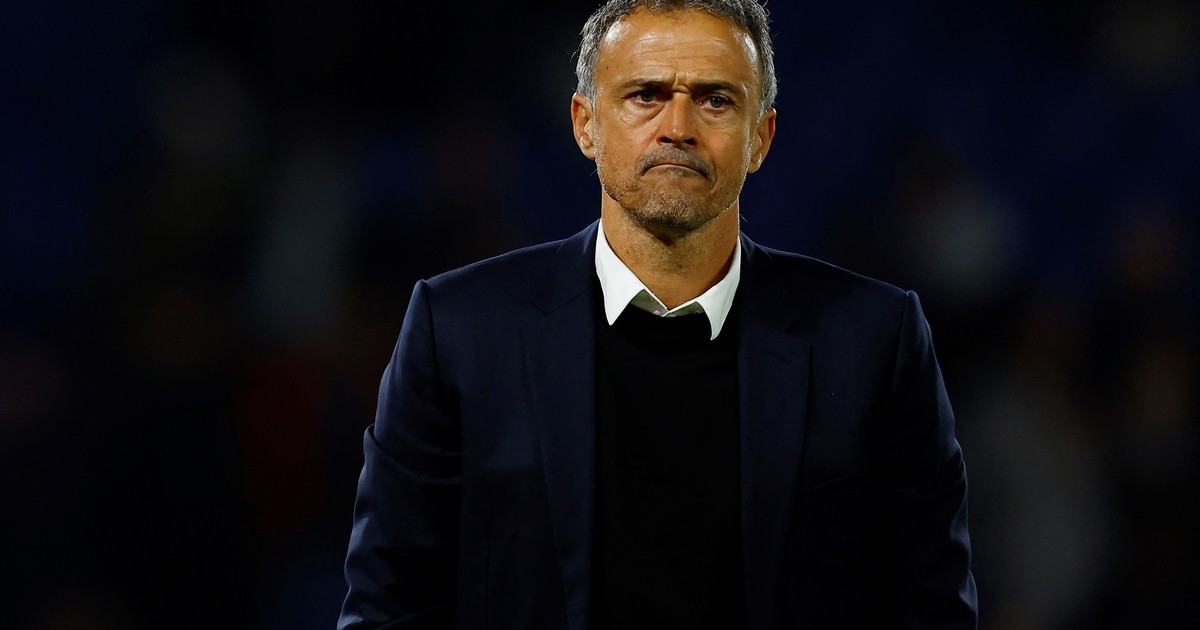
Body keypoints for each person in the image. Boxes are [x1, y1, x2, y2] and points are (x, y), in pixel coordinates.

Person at [338, 1, 978, 628]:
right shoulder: (458, 331)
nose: (678, 127)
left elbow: (931, 608)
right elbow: (388, 606)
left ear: (761, 138)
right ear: (586, 125)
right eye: (645, 95)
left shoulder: (874, 340)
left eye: (715, 100)